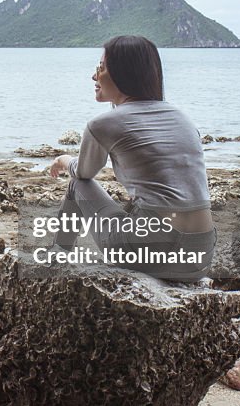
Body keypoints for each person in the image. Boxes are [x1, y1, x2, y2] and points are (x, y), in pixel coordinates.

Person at [46, 35, 214, 280]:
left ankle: (56, 258)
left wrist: (62, 159)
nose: (94, 77)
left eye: (100, 68)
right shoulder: (183, 118)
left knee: (77, 186)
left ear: (124, 73)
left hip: (151, 253)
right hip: (199, 259)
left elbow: (83, 174)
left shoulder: (103, 123)